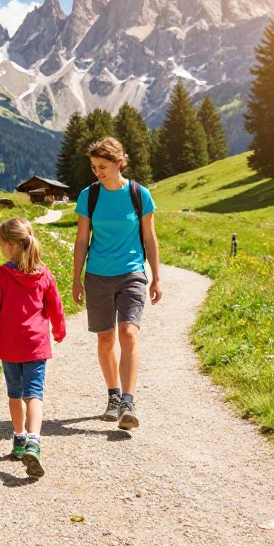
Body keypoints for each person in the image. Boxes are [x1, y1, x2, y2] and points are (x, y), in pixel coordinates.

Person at [71, 136, 162, 430]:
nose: (97, 172)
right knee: (106, 338)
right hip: (97, 275)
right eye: (94, 167)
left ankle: (128, 402)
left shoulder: (139, 194)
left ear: (119, 163)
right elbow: (82, 240)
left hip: (131, 272)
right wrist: (76, 278)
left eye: (103, 166)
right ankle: (113, 395)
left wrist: (156, 277)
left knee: (128, 334)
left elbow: (150, 238)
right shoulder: (89, 196)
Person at [0, 217, 65, 478]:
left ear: (11, 245)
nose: (1, 248)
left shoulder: (3, 275)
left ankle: (19, 438)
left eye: (2, 244)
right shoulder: (43, 273)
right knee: (34, 395)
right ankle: (34, 441)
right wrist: (59, 330)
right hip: (36, 345)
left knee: (15, 394)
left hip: (10, 346)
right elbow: (55, 305)